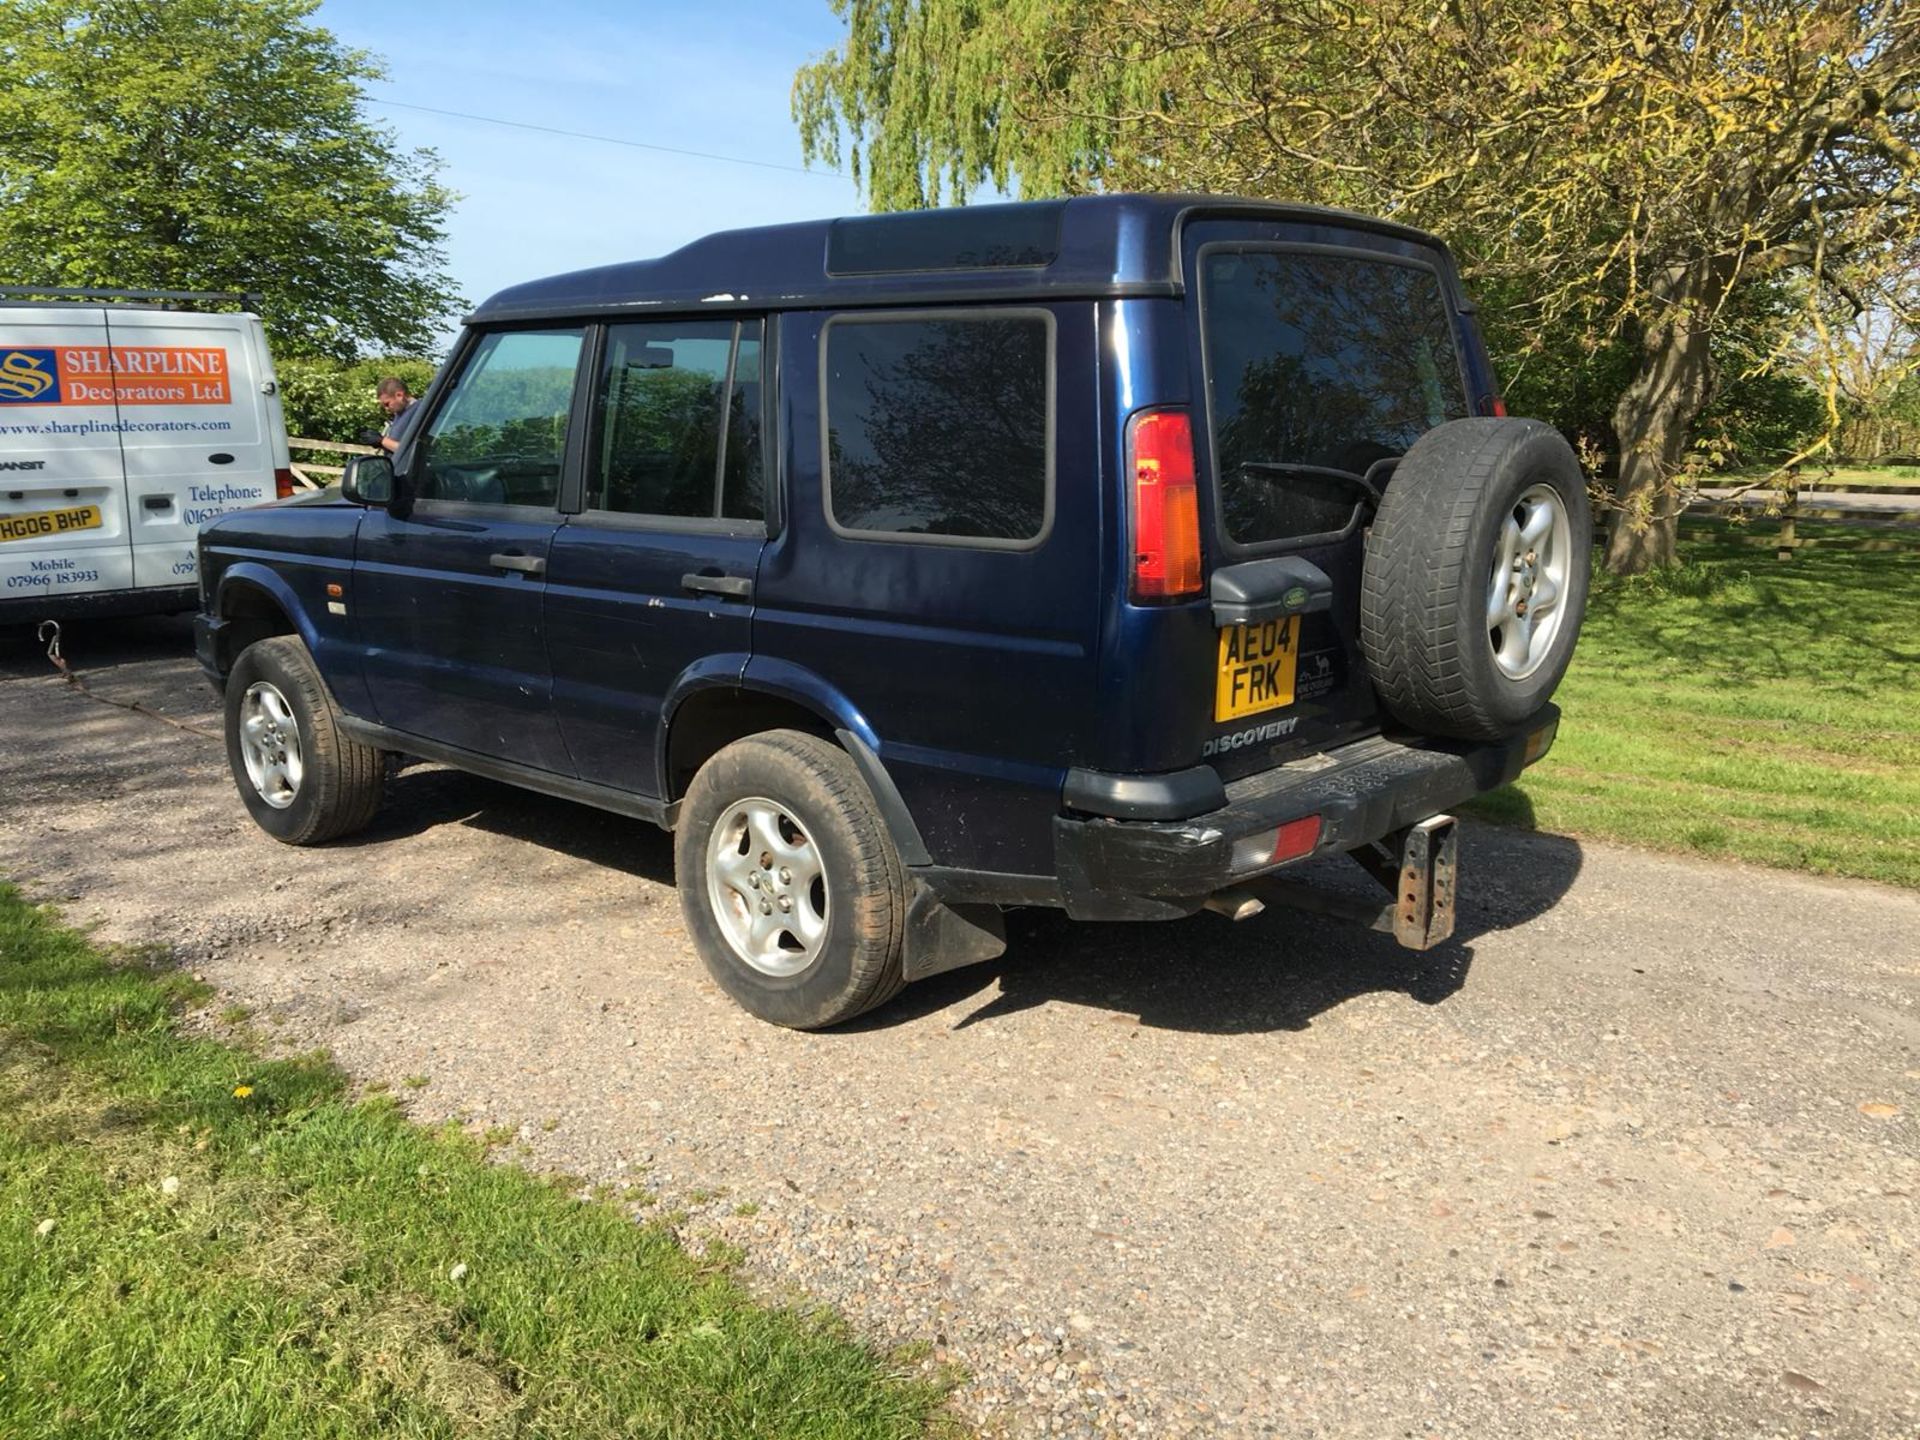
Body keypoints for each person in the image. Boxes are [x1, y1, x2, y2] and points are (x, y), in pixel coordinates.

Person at [374, 377, 415, 453]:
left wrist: (382, 441)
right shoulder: (399, 414)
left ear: (399, 395)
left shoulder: (418, 411)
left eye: (387, 404)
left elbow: (411, 451)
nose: (386, 409)